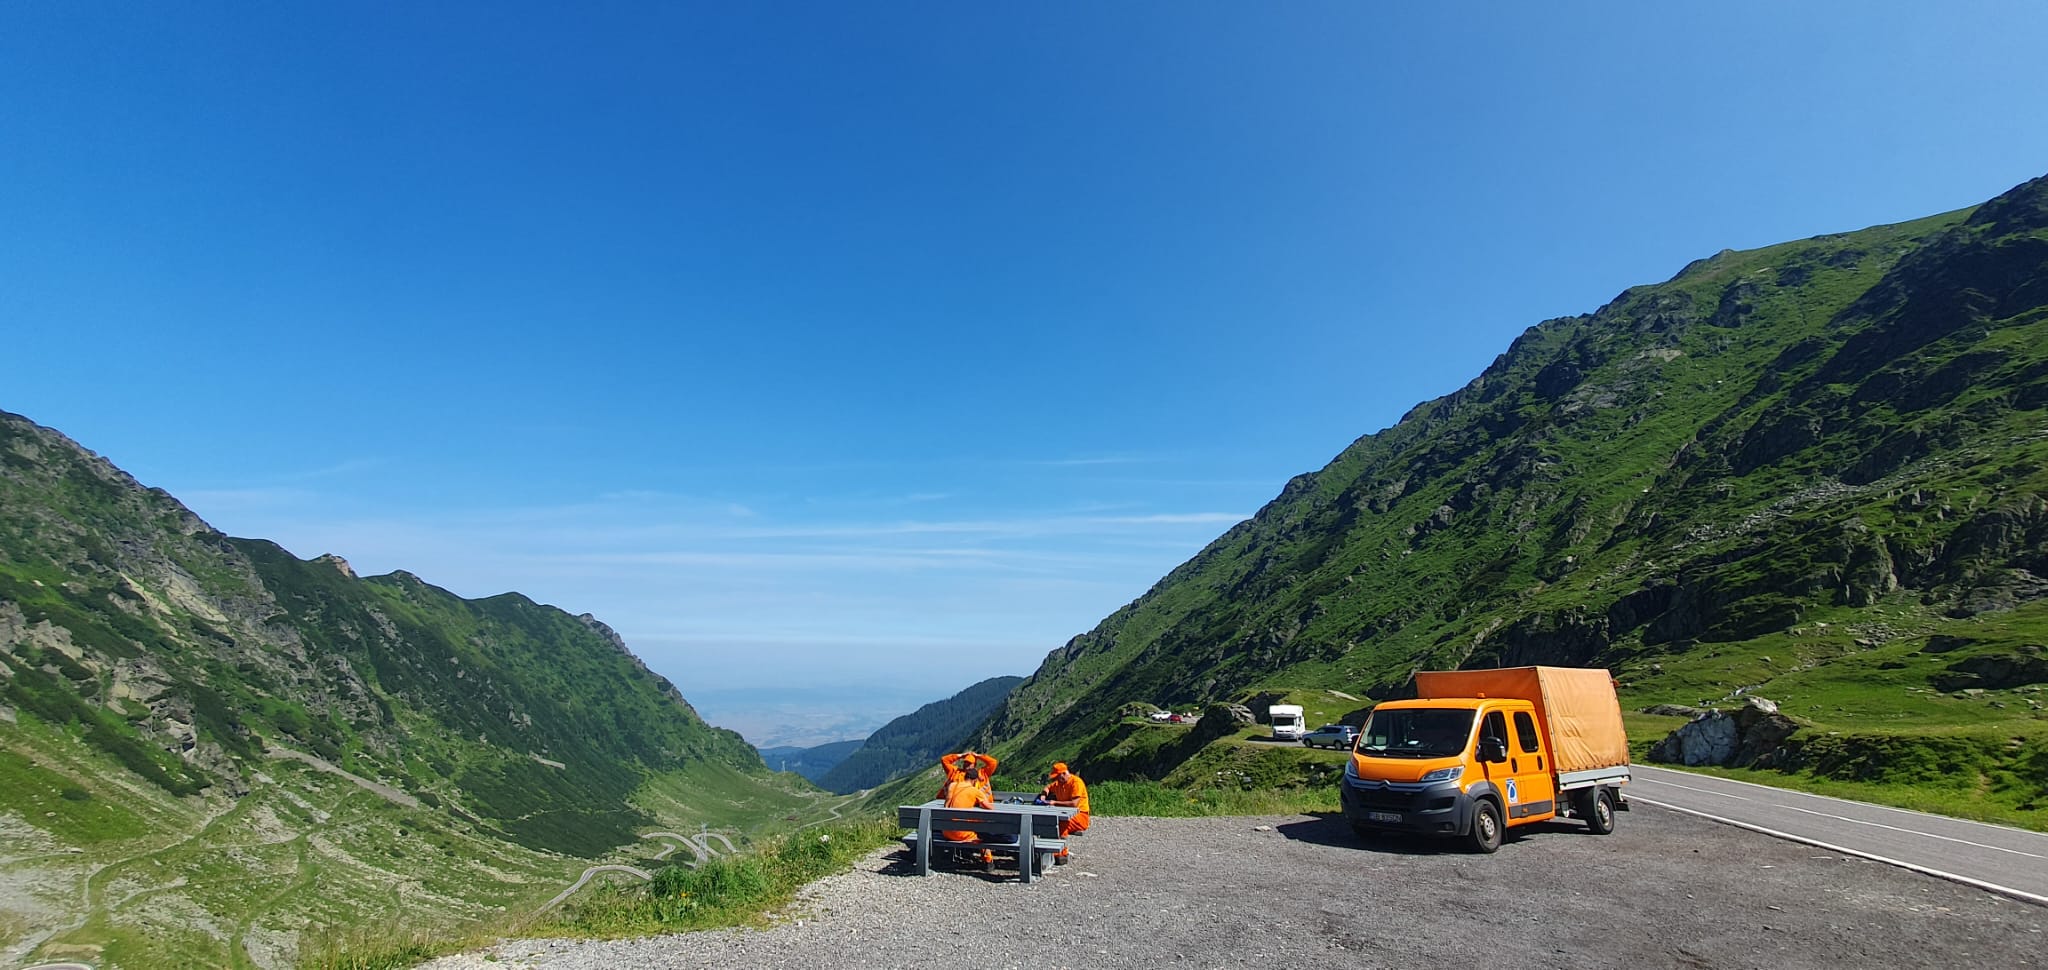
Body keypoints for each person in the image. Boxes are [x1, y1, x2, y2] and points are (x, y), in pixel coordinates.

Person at [937, 752, 999, 866]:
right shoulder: (956, 772)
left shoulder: (981, 773)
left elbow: (993, 762)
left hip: (958, 816)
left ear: (975, 764)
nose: (967, 765)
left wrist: (978, 755)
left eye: (969, 763)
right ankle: (987, 860)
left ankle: (985, 858)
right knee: (981, 830)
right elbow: (944, 760)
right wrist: (960, 755)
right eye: (965, 762)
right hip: (971, 813)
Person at [1039, 761, 1090, 865]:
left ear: (1064, 773)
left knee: (1061, 824)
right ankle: (1049, 850)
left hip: (1080, 815)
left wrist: (1054, 802)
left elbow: (1074, 804)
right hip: (1065, 813)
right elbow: (1048, 787)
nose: (1056, 779)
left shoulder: (1076, 782)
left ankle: (1061, 854)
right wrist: (1044, 795)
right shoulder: (1059, 783)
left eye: (1057, 776)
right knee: (1050, 821)